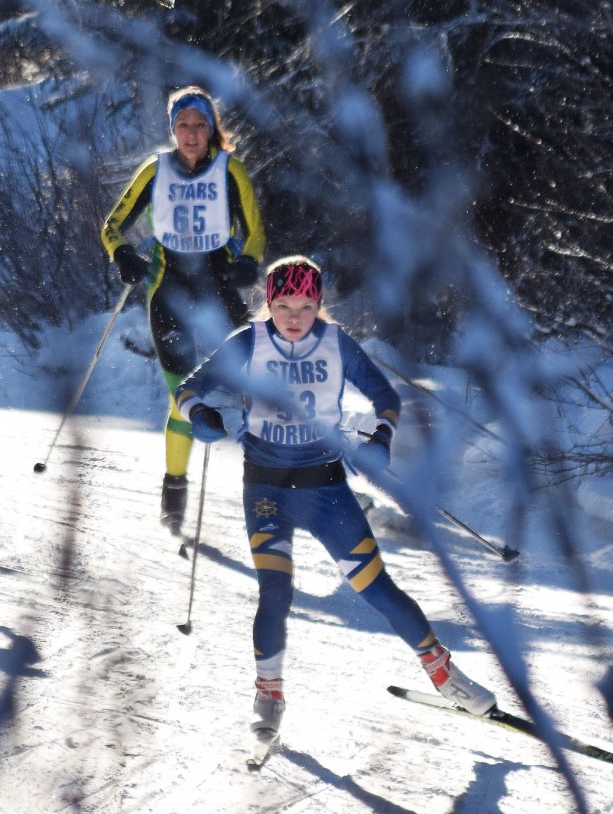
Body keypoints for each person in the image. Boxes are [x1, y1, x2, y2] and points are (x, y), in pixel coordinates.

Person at [174, 255, 496, 736]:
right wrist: (199, 413)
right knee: (275, 592)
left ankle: (444, 672)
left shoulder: (336, 344)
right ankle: (269, 693)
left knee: (376, 587)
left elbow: (384, 397)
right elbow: (189, 386)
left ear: (320, 304)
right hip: (266, 488)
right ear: (268, 302)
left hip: (324, 487)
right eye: (283, 305)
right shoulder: (248, 344)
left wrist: (380, 439)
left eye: (305, 305)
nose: (295, 316)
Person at [101, 85, 266, 537]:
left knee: (247, 390)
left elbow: (254, 231)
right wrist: (124, 256)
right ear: (172, 129)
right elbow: (112, 225)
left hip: (221, 292)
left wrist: (249, 262)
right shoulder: (154, 170)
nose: (191, 134)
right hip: (168, 294)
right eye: (183, 126)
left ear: (211, 129)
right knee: (184, 397)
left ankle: (271, 485)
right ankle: (174, 489)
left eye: (199, 125)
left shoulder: (231, 170)